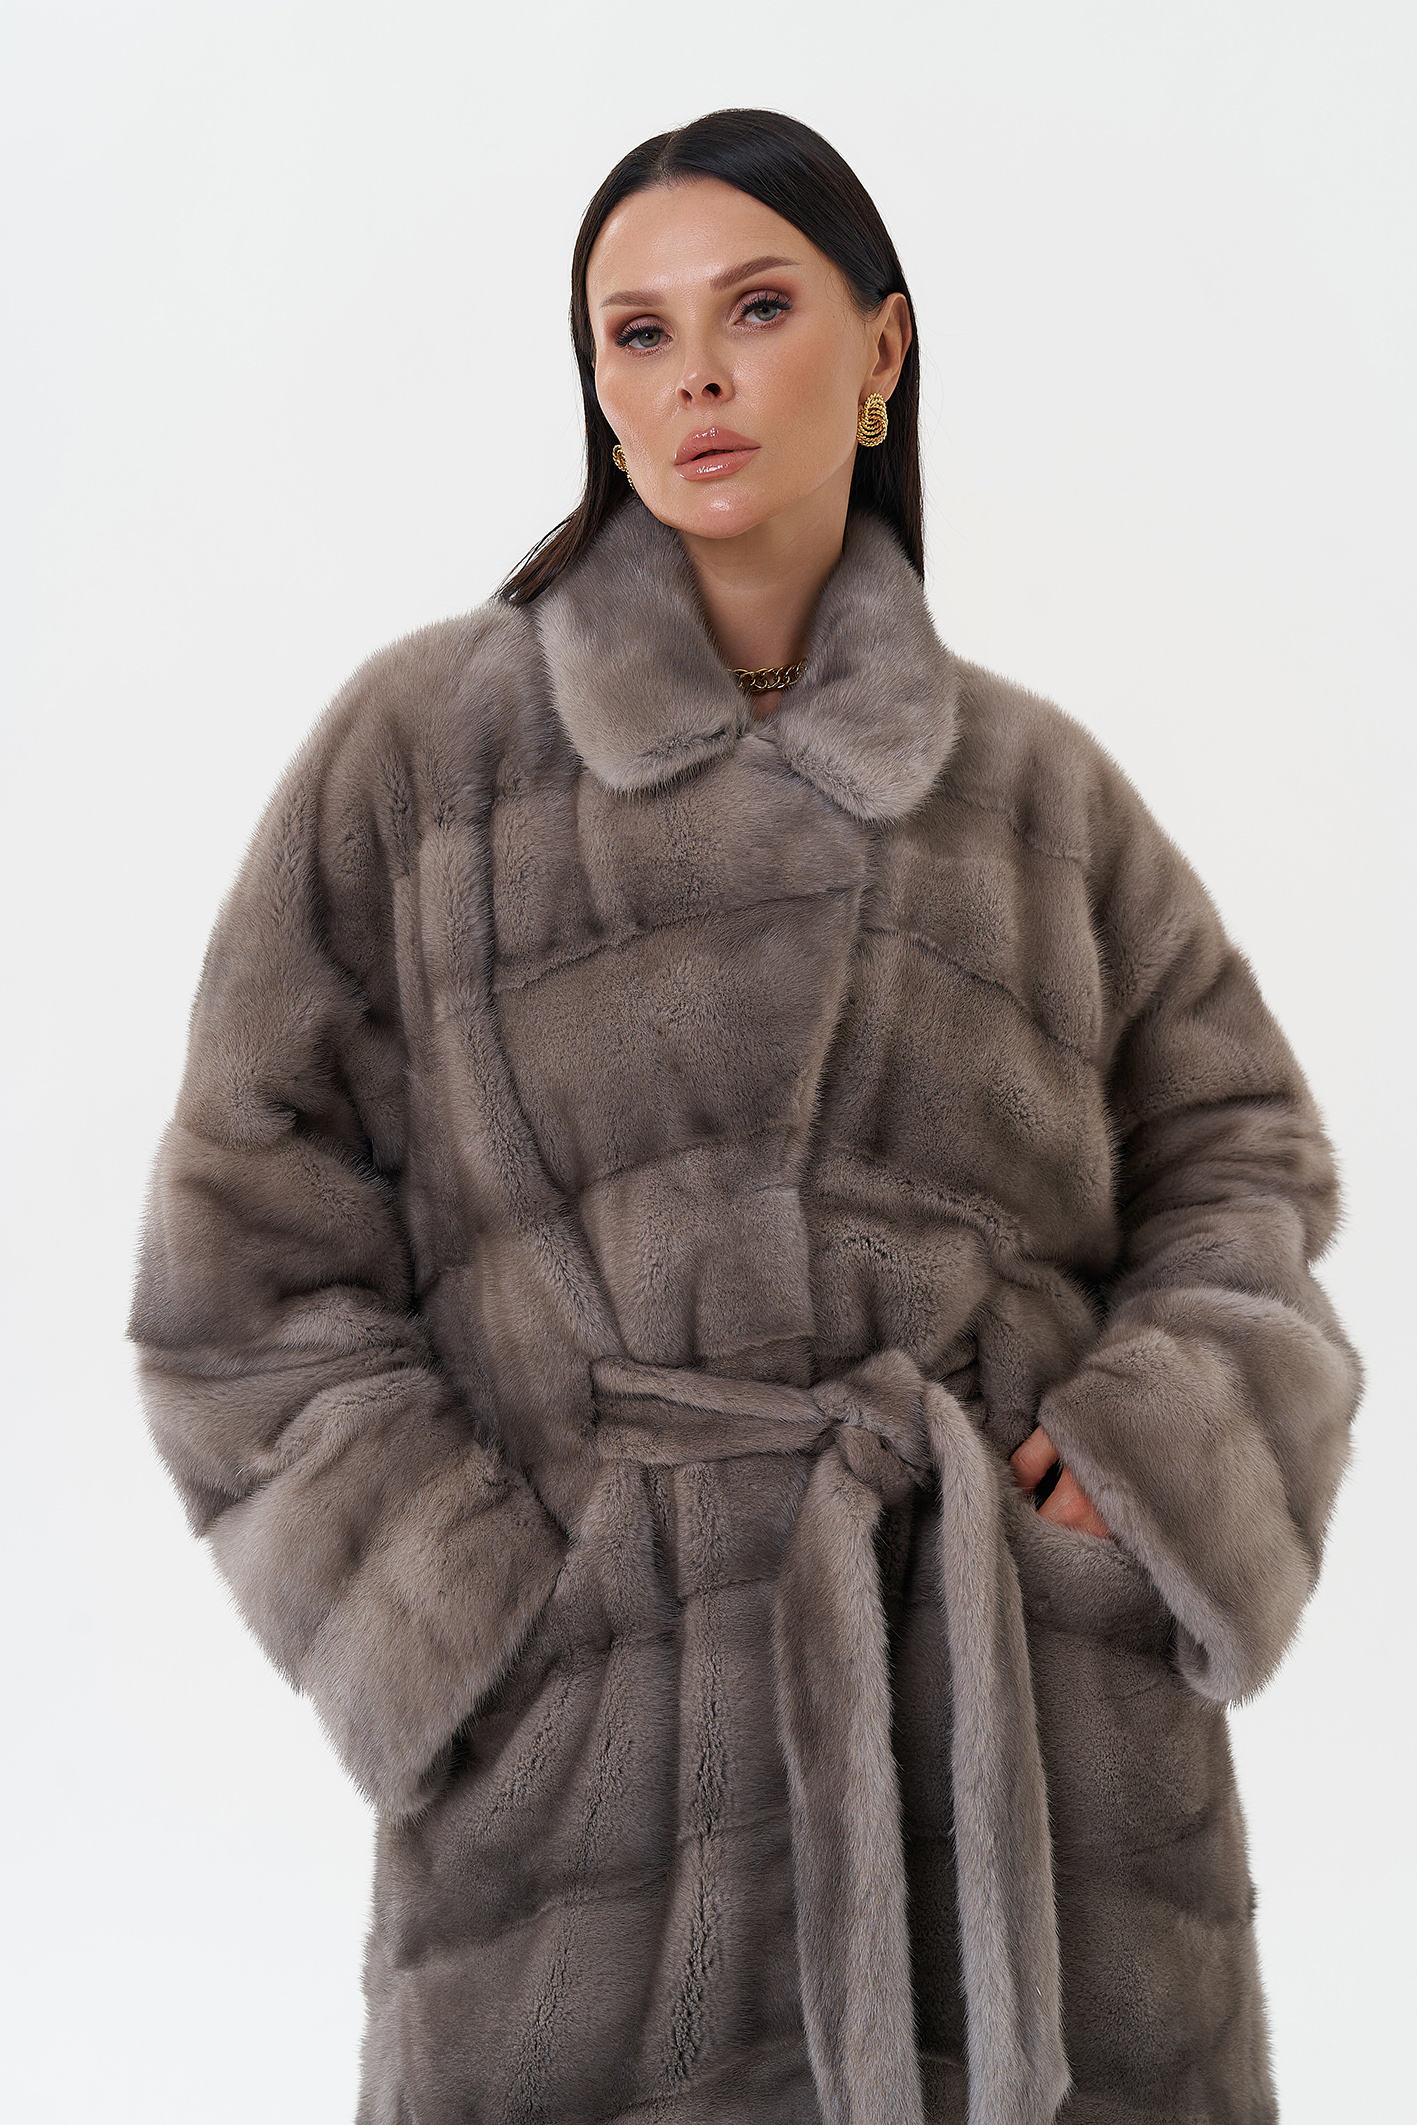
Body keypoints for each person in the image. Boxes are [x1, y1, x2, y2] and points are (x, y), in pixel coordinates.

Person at [129, 108, 1360, 2125]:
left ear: (881, 349)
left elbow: (1246, 1172)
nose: (694, 375)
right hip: (597, 1781)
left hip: (1019, 1748)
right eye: (637, 332)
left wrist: (1137, 1473)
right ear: (597, 385)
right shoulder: (428, 757)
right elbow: (241, 1267)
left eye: (756, 308)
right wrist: (471, 1621)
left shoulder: (1036, 791)